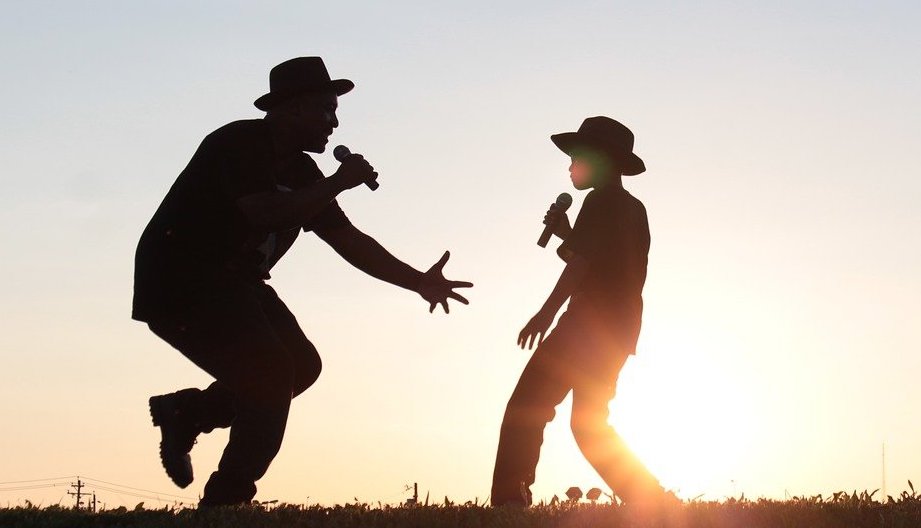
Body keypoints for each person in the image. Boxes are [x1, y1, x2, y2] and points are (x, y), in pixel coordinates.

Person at [132, 57, 472, 507]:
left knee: (300, 366)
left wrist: (419, 282)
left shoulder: (302, 173)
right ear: (291, 109)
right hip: (181, 282)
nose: (334, 122)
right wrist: (338, 183)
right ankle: (226, 503)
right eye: (326, 109)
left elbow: (348, 240)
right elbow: (265, 211)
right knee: (270, 374)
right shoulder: (237, 143)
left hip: (237, 284)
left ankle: (189, 412)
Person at [491, 116, 665, 508]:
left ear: (602, 160)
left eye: (577, 156)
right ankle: (649, 497)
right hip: (618, 331)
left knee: (526, 408)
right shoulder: (630, 207)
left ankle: (509, 501)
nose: (570, 165)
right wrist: (567, 234)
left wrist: (544, 314)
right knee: (588, 423)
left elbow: (581, 265)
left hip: (585, 328)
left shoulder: (601, 200)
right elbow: (603, 261)